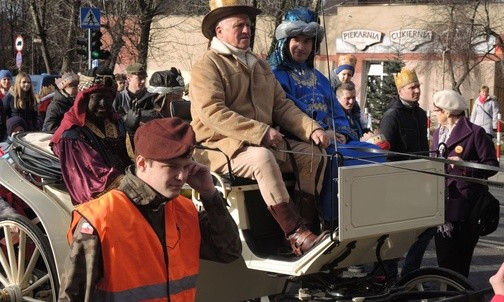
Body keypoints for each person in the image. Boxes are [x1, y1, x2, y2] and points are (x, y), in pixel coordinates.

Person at [190, 0, 330, 256]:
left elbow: (281, 105)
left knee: (313, 154)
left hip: (259, 145)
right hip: (218, 148)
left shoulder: (259, 64)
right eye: (239, 25)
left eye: (248, 24)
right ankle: (295, 233)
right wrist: (260, 132)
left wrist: (311, 129)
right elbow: (212, 112)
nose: (246, 30)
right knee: (262, 157)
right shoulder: (206, 65)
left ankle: (305, 227)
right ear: (219, 31)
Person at [58, 117, 241, 301]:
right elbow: (73, 296)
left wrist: (210, 194)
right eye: (172, 167)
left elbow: (228, 252)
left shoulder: (185, 211)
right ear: (142, 163)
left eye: (186, 167)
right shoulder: (100, 219)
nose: (181, 176)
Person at [268, 7, 386, 227]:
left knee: (375, 153)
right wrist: (323, 130)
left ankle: (365, 216)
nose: (302, 47)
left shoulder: (319, 78)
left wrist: (341, 132)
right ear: (285, 40)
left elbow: (338, 112)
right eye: (297, 40)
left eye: (307, 41)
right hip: (300, 141)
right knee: (338, 158)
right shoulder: (274, 75)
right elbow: (288, 109)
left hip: (331, 140)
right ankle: (330, 220)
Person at [432, 89, 498, 278]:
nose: (435, 114)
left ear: (446, 112)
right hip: (441, 207)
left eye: (436, 110)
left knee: (460, 265)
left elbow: (492, 166)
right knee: (443, 263)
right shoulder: (438, 134)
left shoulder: (475, 133)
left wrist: (464, 167)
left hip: (465, 206)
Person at [379, 67, 433, 280]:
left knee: (426, 230)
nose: (417, 91)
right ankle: (391, 279)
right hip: (398, 184)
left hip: (419, 182)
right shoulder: (392, 116)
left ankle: (410, 275)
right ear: (400, 90)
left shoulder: (420, 114)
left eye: (418, 87)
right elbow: (387, 153)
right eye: (412, 88)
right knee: (395, 233)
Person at [50, 67, 133, 205]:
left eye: (107, 98)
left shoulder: (115, 122)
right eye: (97, 98)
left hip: (127, 188)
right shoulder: (72, 134)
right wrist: (133, 186)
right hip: (102, 201)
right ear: (84, 99)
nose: (103, 104)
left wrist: (132, 130)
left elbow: (130, 158)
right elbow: (92, 180)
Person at [0, 69, 13, 141]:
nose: (7, 81)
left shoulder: (13, 93)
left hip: (10, 125)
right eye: (4, 79)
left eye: (9, 79)